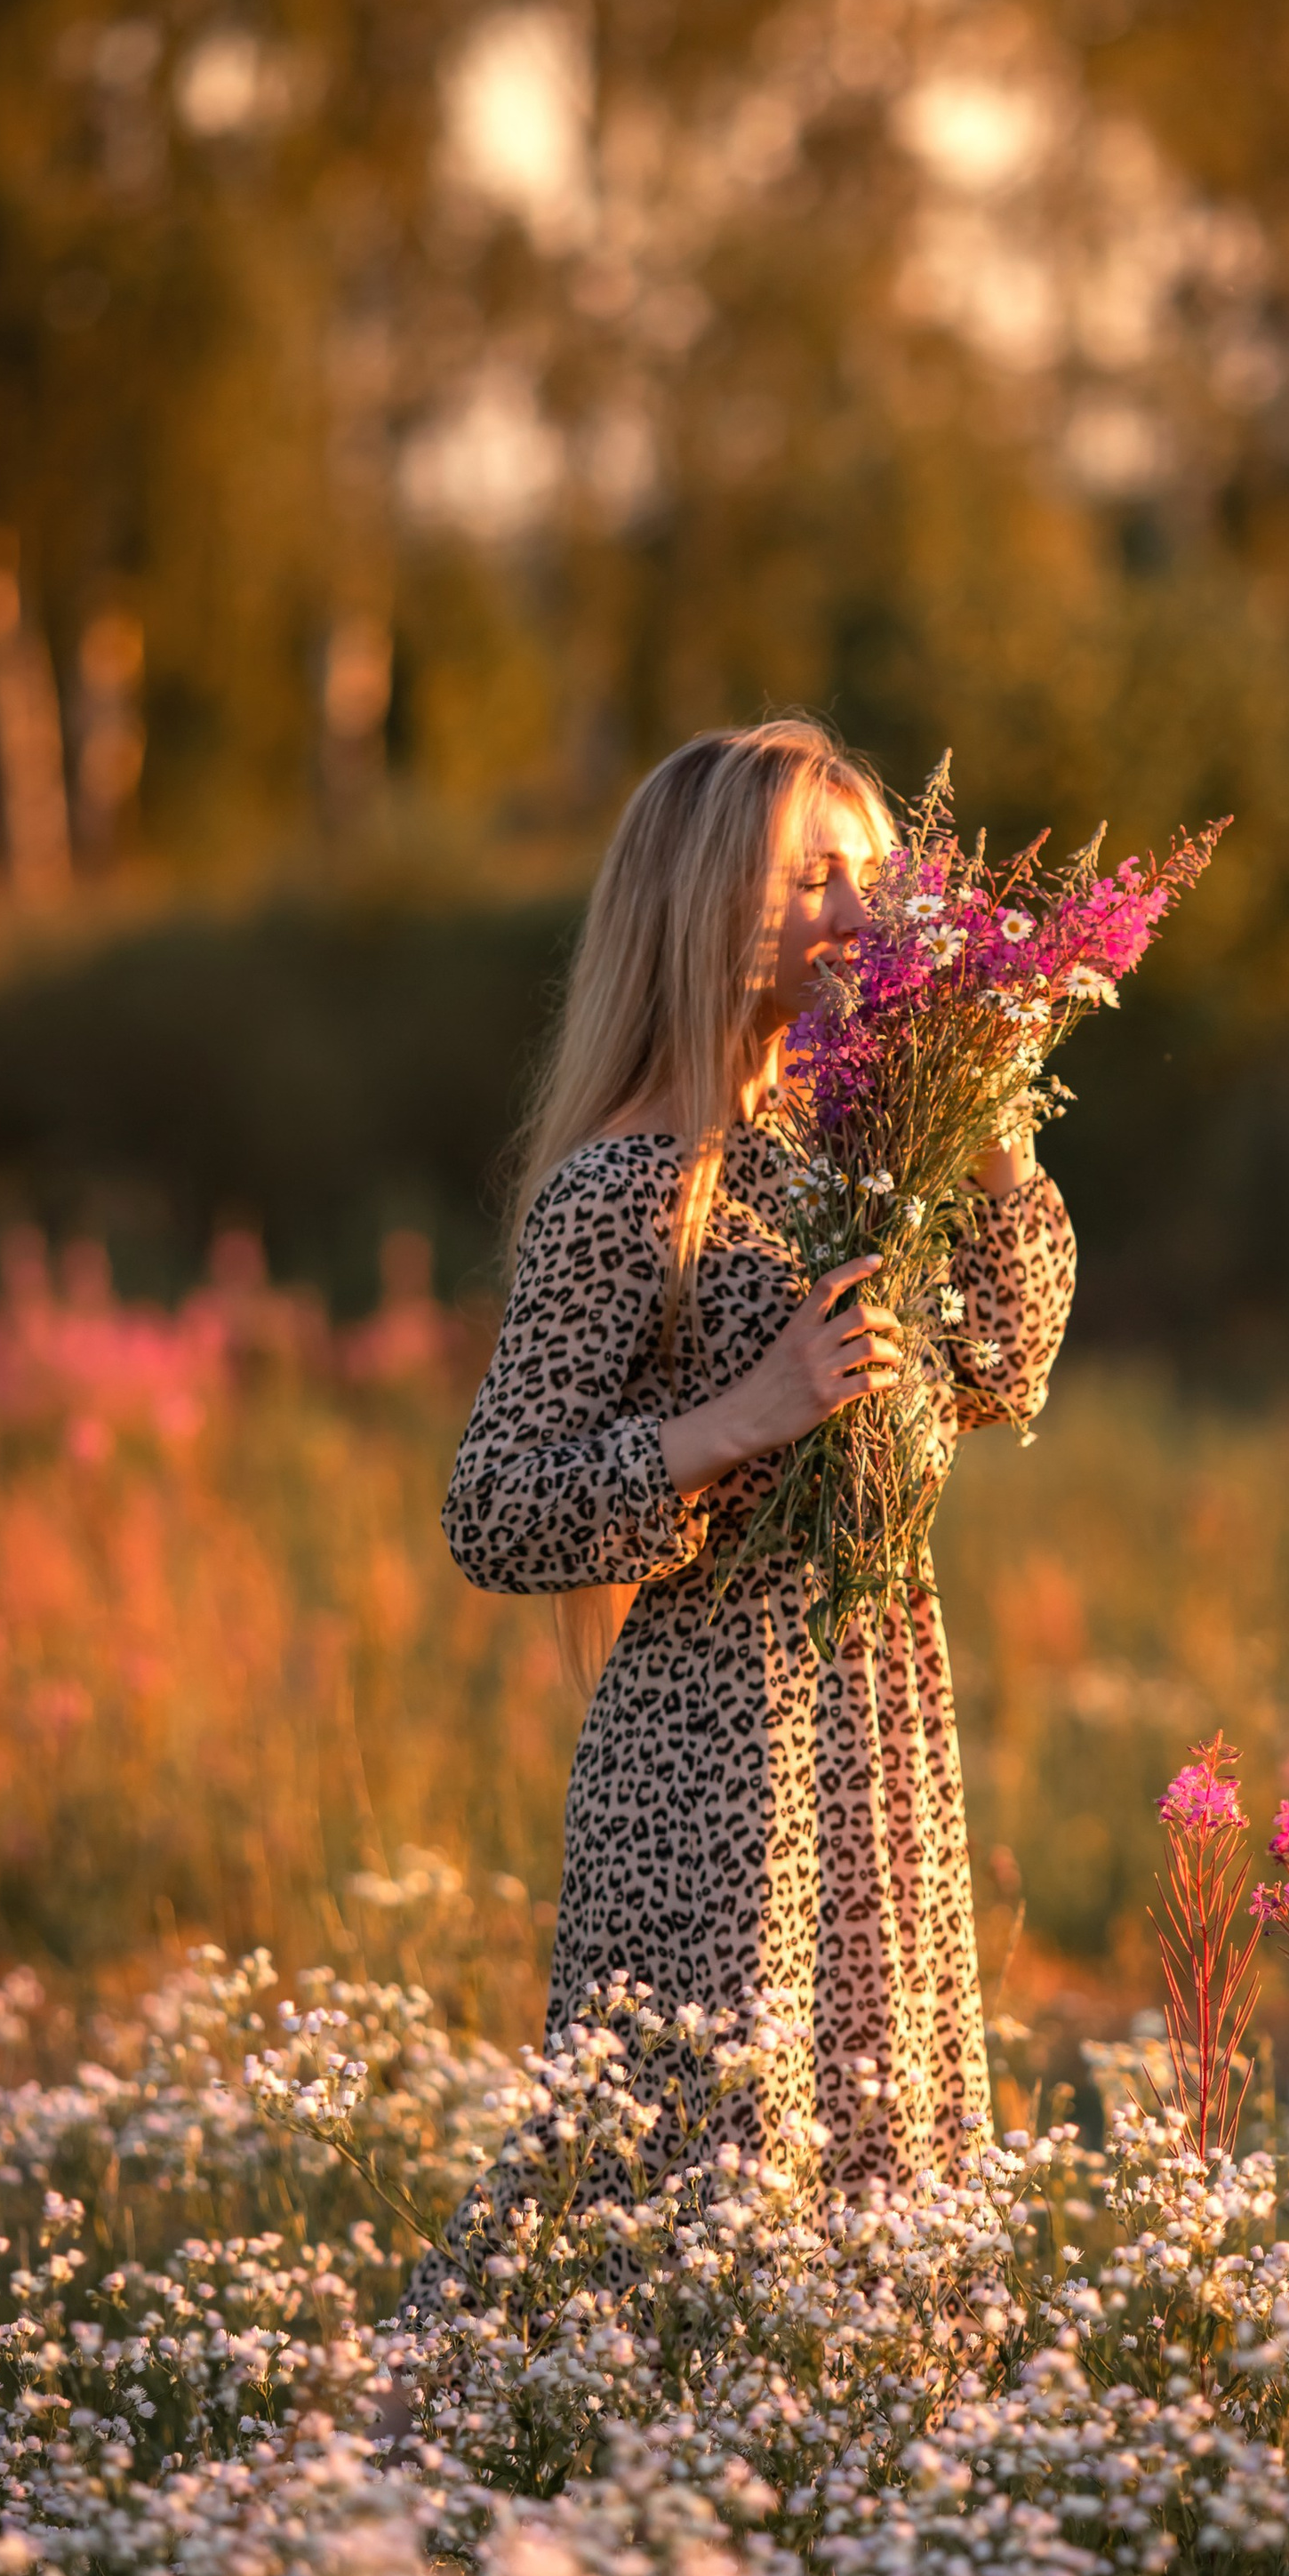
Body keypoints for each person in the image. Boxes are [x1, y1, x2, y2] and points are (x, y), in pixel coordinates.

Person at [433, 717, 1075, 2251]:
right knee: (706, 2193)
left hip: (880, 1726)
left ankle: (857, 2486)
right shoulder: (620, 1187)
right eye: (813, 882)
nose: (862, 918)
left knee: (881, 2168)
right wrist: (744, 1416)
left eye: (872, 878)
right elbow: (495, 1509)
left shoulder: (861, 1149)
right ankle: (558, 2479)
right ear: (707, 903)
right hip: (709, 1750)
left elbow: (1004, 1370)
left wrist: (988, 1128)